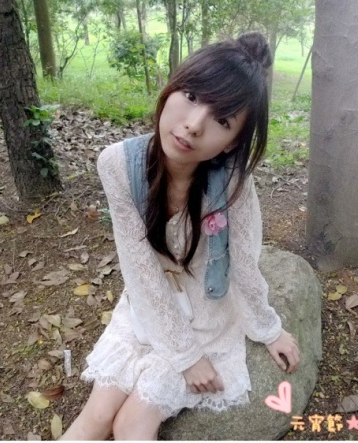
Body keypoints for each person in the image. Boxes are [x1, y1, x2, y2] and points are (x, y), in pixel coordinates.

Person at [61, 32, 300, 441]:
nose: (193, 124)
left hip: (207, 315)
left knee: (131, 424)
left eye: (222, 121)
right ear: (172, 87)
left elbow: (243, 263)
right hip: (147, 309)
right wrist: (184, 356)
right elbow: (140, 269)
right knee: (96, 416)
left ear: (232, 143)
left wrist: (268, 329)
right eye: (191, 96)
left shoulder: (232, 182)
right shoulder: (118, 165)